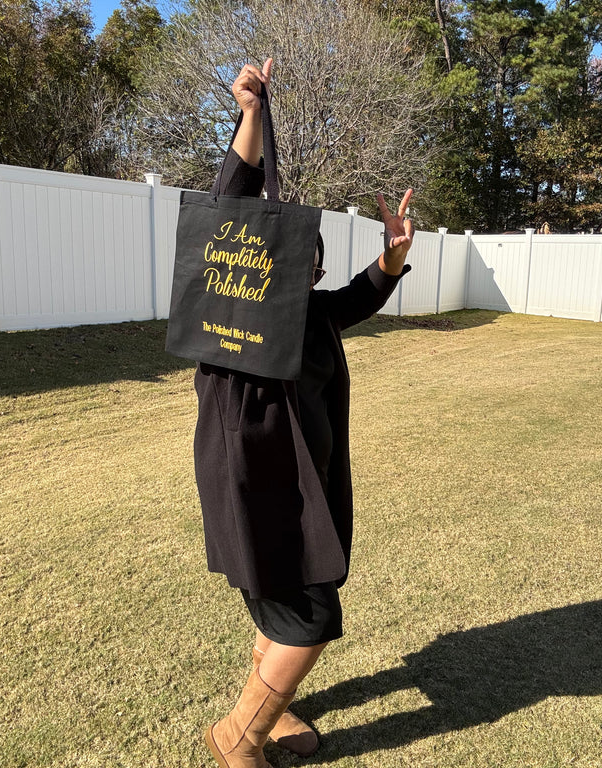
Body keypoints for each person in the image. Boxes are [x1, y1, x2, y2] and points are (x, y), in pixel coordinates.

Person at [195, 58, 414, 768]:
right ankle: (242, 735)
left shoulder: (312, 313)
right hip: (261, 487)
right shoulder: (234, 320)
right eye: (290, 266)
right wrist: (252, 115)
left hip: (303, 486)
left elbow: (353, 300)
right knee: (310, 617)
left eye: (310, 267)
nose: (305, 277)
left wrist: (390, 260)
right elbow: (232, 205)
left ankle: (275, 708)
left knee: (282, 606)